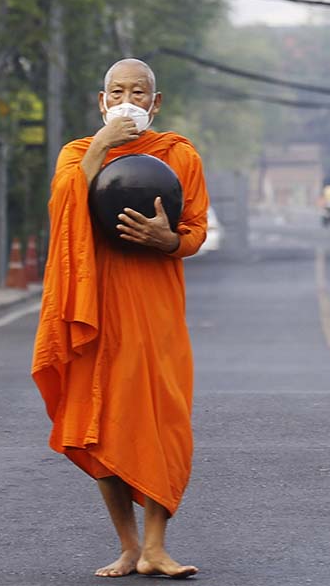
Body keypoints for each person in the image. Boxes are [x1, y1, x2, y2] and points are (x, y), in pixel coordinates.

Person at [31, 58, 208, 579]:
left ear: (156, 103)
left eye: (138, 92)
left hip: (155, 306)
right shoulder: (78, 153)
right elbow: (65, 207)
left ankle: (157, 546)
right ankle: (129, 545)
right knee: (99, 423)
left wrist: (168, 240)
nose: (127, 99)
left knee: (162, 418)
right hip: (96, 305)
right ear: (102, 101)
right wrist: (104, 145)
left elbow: (195, 229)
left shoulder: (178, 154)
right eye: (116, 91)